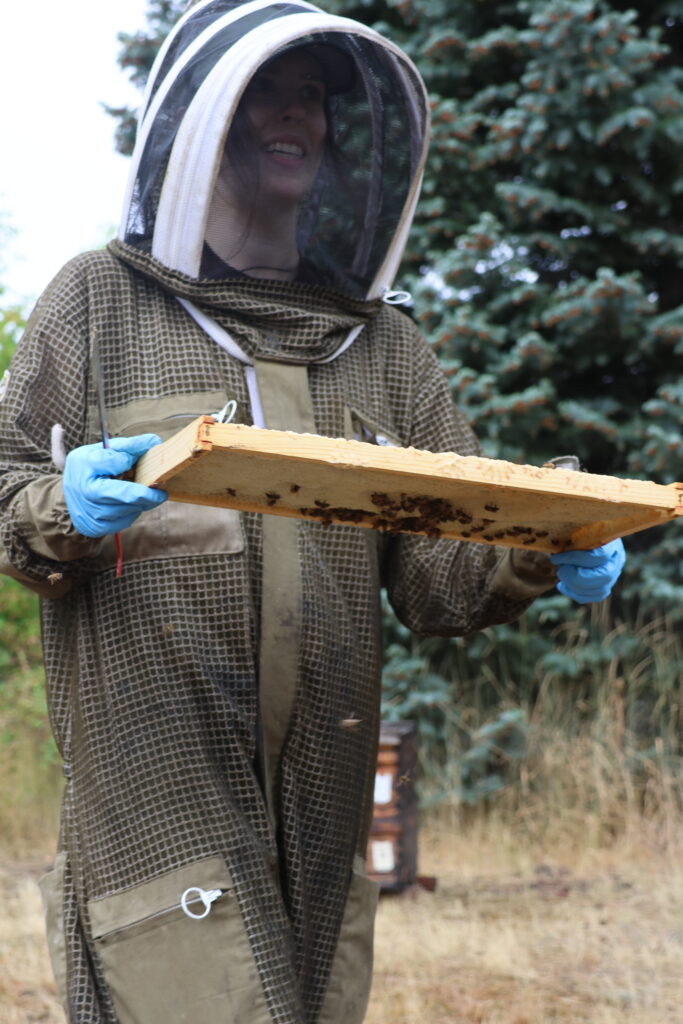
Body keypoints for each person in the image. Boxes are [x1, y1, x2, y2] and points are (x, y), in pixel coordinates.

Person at [0, 2, 625, 1023]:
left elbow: (435, 574)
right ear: (201, 119)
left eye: (314, 98)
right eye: (266, 93)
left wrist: (546, 543)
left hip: (323, 817)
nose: (297, 116)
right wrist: (54, 505)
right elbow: (2, 492)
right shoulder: (96, 305)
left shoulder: (382, 349)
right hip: (160, 800)